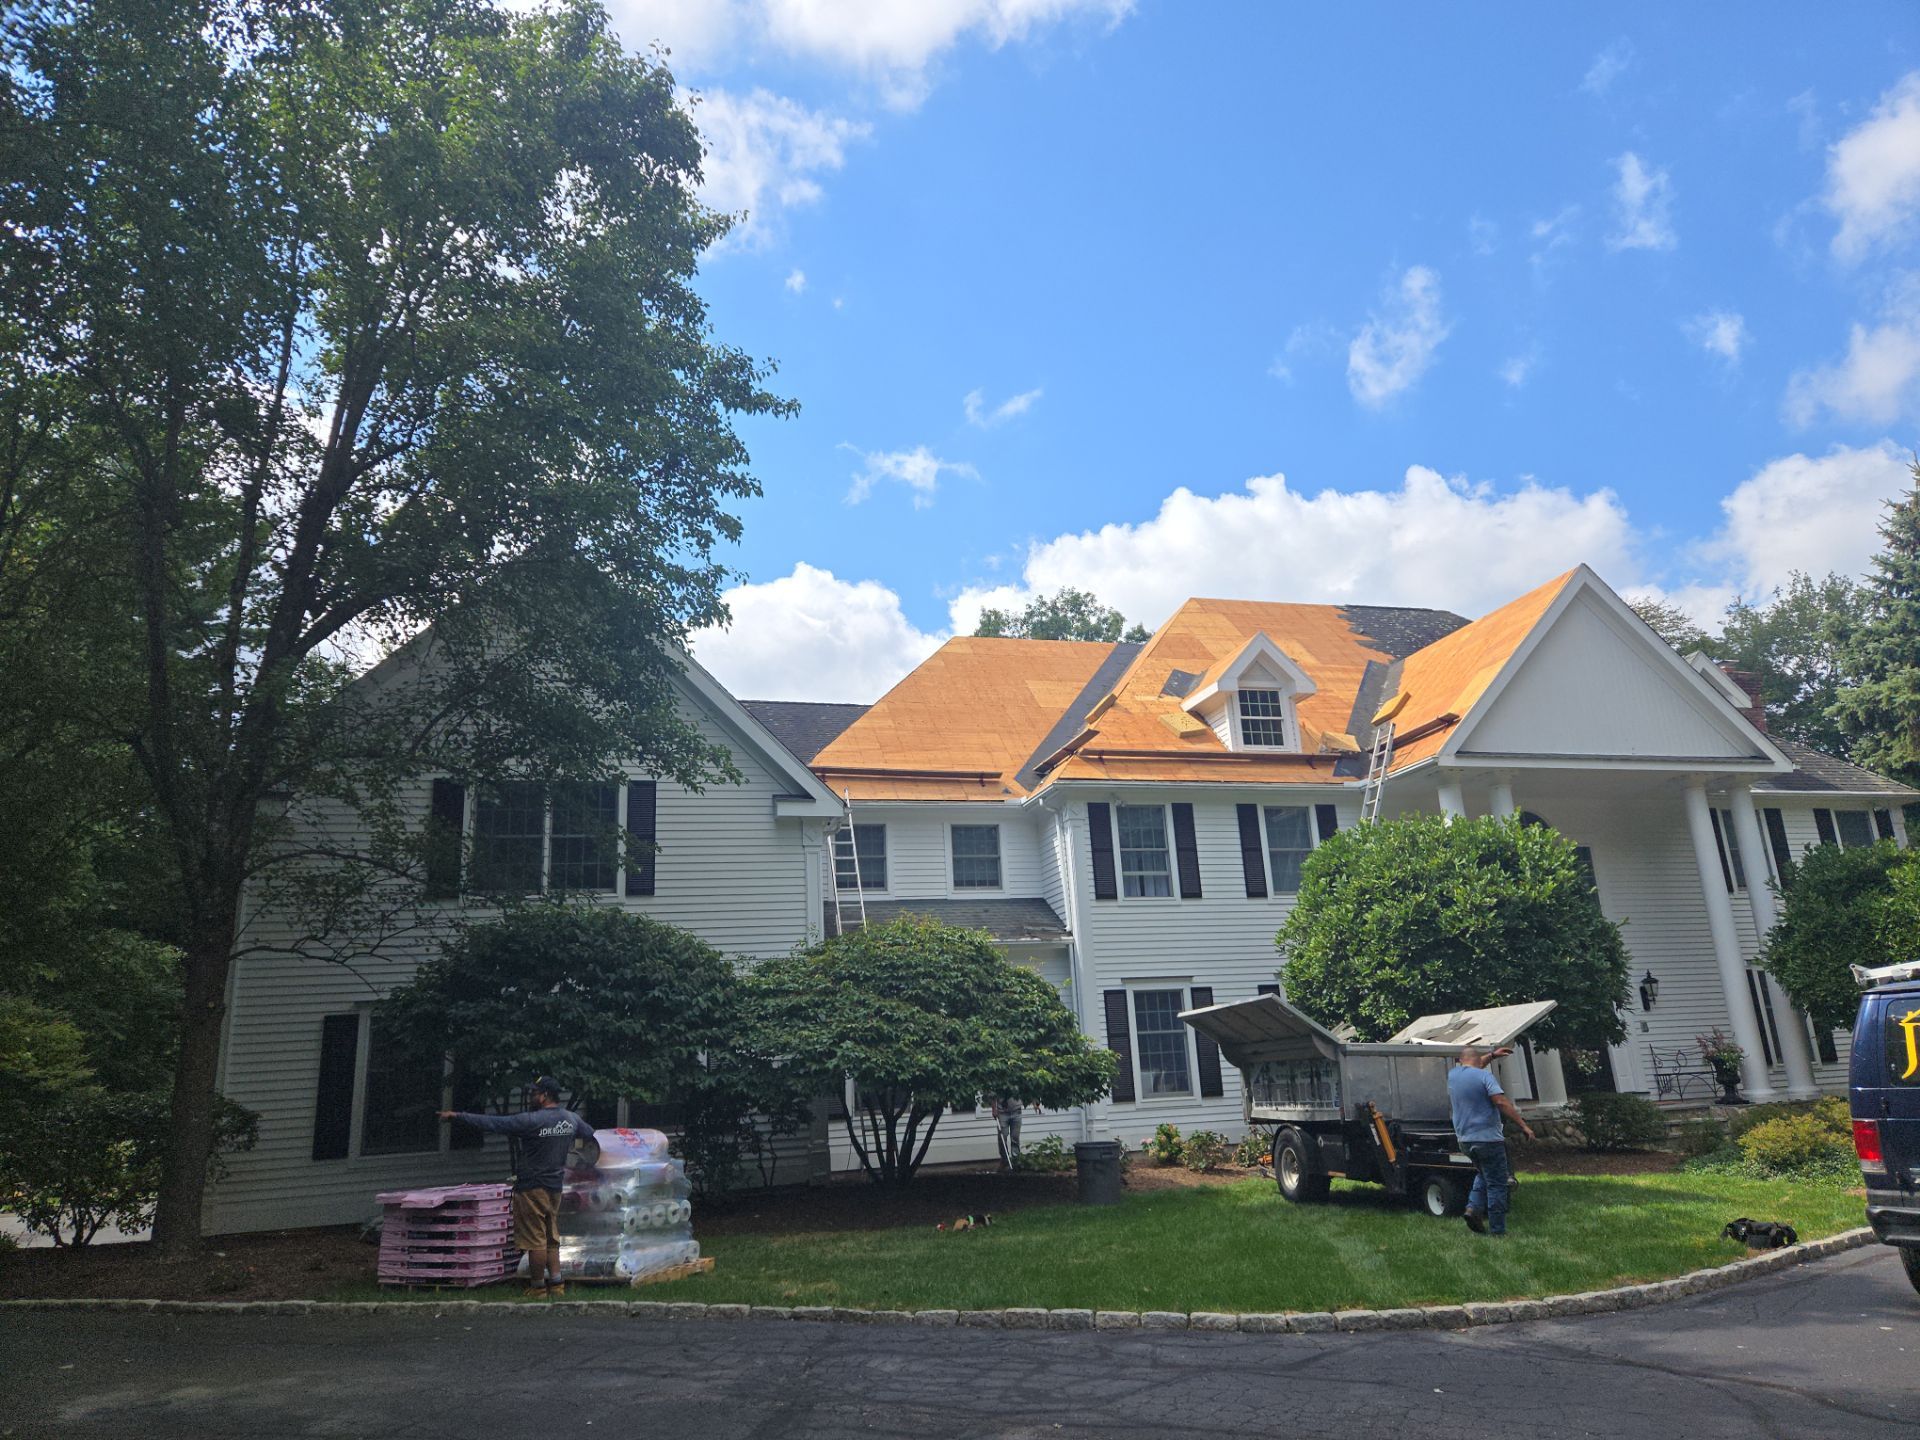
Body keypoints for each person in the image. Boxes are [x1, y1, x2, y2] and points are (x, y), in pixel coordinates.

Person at [441, 1076, 594, 1297]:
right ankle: (558, 1285)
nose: (531, 1096)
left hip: (532, 1187)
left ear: (544, 1096)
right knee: (551, 1236)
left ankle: (538, 1287)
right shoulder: (571, 1119)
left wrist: (458, 1116)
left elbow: (493, 1123)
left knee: (535, 1239)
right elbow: (590, 1135)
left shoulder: (530, 1121)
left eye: (534, 1093)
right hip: (555, 1187)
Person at [1447, 1045, 1535, 1237]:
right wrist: (1523, 1125)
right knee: (1497, 1183)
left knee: (1483, 1173)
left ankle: (1472, 1208)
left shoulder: (1453, 1075)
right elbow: (1500, 1102)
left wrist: (1493, 1055)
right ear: (1478, 1062)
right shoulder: (1485, 1077)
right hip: (1487, 1139)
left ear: (1461, 1061)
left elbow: (1475, 1064)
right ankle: (1498, 1230)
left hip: (1465, 1140)